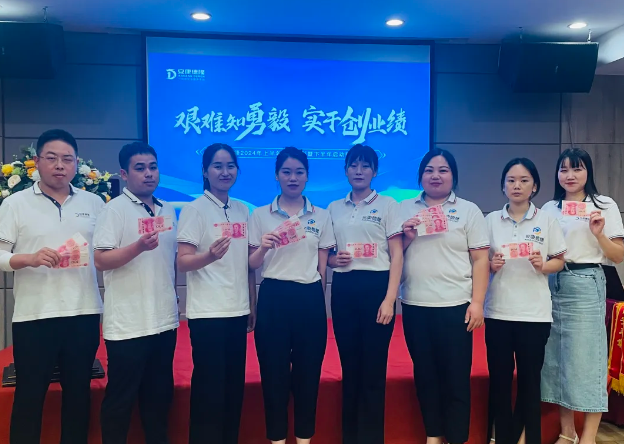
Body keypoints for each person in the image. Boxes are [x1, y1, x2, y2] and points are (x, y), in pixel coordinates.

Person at [0, 129, 103, 444]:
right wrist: (29, 258)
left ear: (76, 164)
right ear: (37, 161)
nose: (60, 165)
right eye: (52, 158)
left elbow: (106, 252)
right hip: (35, 315)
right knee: (30, 395)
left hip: (83, 312)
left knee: (78, 394)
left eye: (67, 159)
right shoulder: (15, 204)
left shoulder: (94, 203)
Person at [399, 148, 489, 444]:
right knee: (425, 375)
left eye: (443, 170)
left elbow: (480, 260)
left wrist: (477, 302)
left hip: (455, 306)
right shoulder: (404, 209)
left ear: (453, 176)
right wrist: (407, 238)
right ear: (420, 176)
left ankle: (457, 438)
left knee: (456, 377)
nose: (435, 176)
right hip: (415, 304)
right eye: (429, 170)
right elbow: (394, 256)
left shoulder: (468, 210)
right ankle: (433, 435)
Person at [249, 147, 336, 444]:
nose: (293, 177)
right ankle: (276, 439)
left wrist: (318, 301)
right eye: (286, 172)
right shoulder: (260, 215)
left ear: (307, 176)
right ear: (277, 175)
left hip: (309, 298)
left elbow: (322, 266)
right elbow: (252, 264)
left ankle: (303, 439)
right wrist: (264, 246)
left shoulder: (321, 216)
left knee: (307, 375)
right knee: (273, 375)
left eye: (299, 172)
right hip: (274, 297)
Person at [93, 142, 179, 444]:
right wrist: (138, 247)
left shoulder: (168, 209)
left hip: (164, 321)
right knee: (120, 401)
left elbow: (169, 261)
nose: (148, 174)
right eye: (140, 168)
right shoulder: (113, 210)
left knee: (159, 400)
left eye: (153, 167)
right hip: (128, 325)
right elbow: (101, 260)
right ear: (124, 174)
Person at [541, 148, 624, 444]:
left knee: (588, 360)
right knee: (557, 360)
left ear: (588, 172)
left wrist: (599, 233)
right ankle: (568, 432)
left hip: (586, 281)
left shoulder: (603, 205)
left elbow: (618, 256)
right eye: (563, 169)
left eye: (576, 169)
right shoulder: (550, 208)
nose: (570, 175)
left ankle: (588, 437)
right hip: (552, 283)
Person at [177, 143, 256, 444]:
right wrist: (209, 256)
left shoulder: (241, 210)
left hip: (237, 310)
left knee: (233, 389)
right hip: (208, 314)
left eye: (230, 166)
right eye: (217, 166)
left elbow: (246, 264)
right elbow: (183, 262)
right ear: (205, 171)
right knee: (209, 391)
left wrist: (252, 304)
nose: (225, 172)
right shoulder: (194, 210)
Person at [485, 158, 566, 444]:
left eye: (524, 180)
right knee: (500, 380)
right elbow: (478, 262)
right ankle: (500, 437)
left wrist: (543, 265)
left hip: (534, 314)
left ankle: (526, 438)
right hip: (498, 312)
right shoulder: (490, 220)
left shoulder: (547, 220)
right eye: (511, 180)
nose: (516, 185)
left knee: (530, 382)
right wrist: (490, 265)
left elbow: (559, 260)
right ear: (503, 186)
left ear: (535, 186)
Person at [327, 144, 403, 444]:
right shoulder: (334, 208)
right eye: (353, 165)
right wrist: (334, 260)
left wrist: (390, 299)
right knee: (350, 367)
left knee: (373, 369)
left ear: (375, 171)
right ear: (346, 170)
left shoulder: (388, 205)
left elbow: (397, 255)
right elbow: (327, 255)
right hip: (344, 289)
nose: (359, 171)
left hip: (376, 289)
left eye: (365, 165)